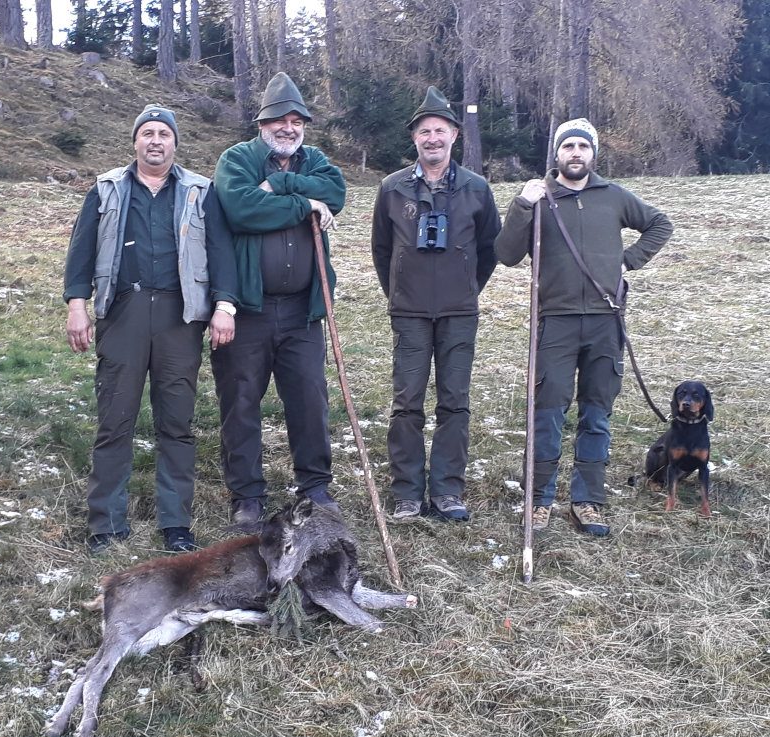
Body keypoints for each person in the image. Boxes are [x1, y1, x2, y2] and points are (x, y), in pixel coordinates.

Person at [64, 105, 238, 553]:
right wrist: (77, 305)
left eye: (164, 133)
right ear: (135, 142)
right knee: (115, 419)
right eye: (148, 133)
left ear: (175, 143)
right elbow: (81, 251)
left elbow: (221, 251)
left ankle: (175, 523)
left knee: (176, 421)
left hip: (180, 317)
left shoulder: (200, 191)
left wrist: (224, 305)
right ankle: (106, 524)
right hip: (124, 311)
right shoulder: (106, 188)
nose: (156, 140)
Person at [495, 118, 673, 536]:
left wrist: (626, 262)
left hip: (605, 322)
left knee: (596, 413)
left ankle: (587, 500)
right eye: (568, 146)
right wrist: (523, 205)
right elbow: (505, 254)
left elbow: (660, 224)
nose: (576, 153)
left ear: (593, 154)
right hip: (555, 322)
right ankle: (539, 500)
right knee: (548, 412)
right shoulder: (539, 197)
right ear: (557, 153)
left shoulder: (613, 196)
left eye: (583, 147)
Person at [212, 72, 346, 524]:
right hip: (247, 310)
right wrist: (306, 204)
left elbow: (336, 192)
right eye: (279, 121)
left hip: (302, 312)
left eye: (296, 122)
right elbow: (242, 209)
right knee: (241, 401)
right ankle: (247, 494)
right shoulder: (237, 159)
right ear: (262, 124)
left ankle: (315, 486)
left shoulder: (315, 159)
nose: (289, 129)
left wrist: (281, 186)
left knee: (309, 399)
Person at [371, 86, 501, 524]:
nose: (432, 138)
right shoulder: (392, 189)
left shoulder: (477, 189)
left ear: (454, 135)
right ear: (414, 138)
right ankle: (407, 493)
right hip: (408, 312)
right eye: (424, 131)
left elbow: (490, 248)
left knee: (455, 402)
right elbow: (381, 250)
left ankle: (447, 490)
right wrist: (399, 292)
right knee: (407, 402)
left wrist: (467, 288)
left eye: (440, 130)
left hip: (459, 312)